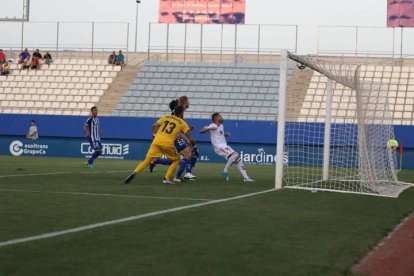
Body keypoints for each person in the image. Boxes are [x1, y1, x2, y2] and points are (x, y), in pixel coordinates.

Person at [124, 106, 195, 185]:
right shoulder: (182, 122)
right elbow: (190, 137)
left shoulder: (166, 117)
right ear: (182, 113)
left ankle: (134, 172)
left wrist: (155, 134)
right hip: (167, 143)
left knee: (146, 161)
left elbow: (154, 125)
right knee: (177, 160)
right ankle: (166, 178)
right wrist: (193, 145)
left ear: (174, 112)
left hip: (156, 141)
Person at [149, 96, 199, 181]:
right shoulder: (177, 112)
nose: (189, 103)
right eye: (188, 101)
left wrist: (188, 128)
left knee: (176, 159)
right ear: (184, 102)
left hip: (176, 137)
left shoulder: (180, 111)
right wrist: (187, 139)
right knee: (191, 154)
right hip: (174, 138)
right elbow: (175, 127)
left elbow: (179, 126)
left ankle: (156, 161)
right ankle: (185, 174)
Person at [200, 112, 254, 182]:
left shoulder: (221, 125)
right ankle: (225, 171)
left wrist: (225, 134)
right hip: (219, 147)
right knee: (235, 155)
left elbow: (219, 134)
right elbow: (201, 131)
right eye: (220, 116)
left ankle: (246, 177)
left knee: (238, 159)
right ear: (216, 118)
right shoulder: (212, 125)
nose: (221, 117)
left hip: (224, 146)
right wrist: (209, 128)